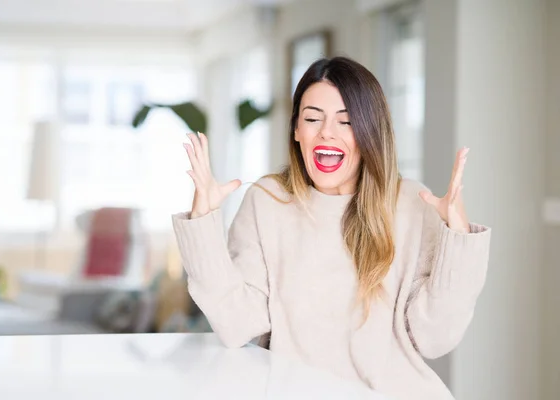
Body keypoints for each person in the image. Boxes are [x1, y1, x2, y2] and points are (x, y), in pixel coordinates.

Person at [171, 56, 491, 400]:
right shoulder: (267, 201)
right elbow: (236, 323)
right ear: (297, 130)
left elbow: (435, 337)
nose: (327, 131)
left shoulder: (412, 202)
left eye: (347, 121)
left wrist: (457, 236)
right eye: (312, 118)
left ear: (370, 132)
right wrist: (202, 221)